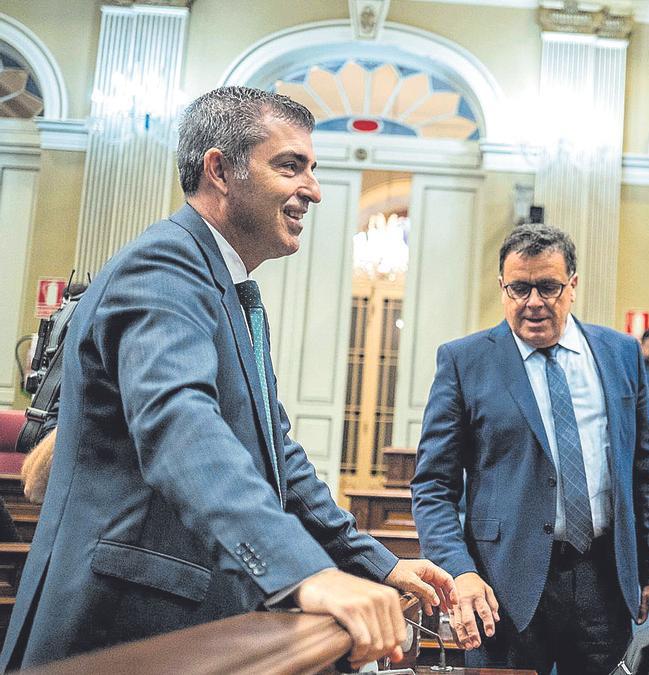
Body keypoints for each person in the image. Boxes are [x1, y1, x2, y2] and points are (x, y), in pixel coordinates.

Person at [0, 87, 457, 672]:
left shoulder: (230, 287)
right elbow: (179, 427)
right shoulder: (163, 265)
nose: (312, 190)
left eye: (312, 170)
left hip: (189, 612)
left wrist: (377, 563)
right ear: (220, 170)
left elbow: (277, 456)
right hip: (120, 625)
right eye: (290, 166)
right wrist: (305, 571)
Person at [411, 224, 649, 675]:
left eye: (548, 287)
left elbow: (642, 471)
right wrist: (460, 571)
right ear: (502, 287)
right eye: (519, 288)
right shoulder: (464, 361)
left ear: (572, 285)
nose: (533, 301)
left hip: (604, 581)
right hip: (502, 584)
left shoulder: (619, 353)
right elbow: (433, 486)